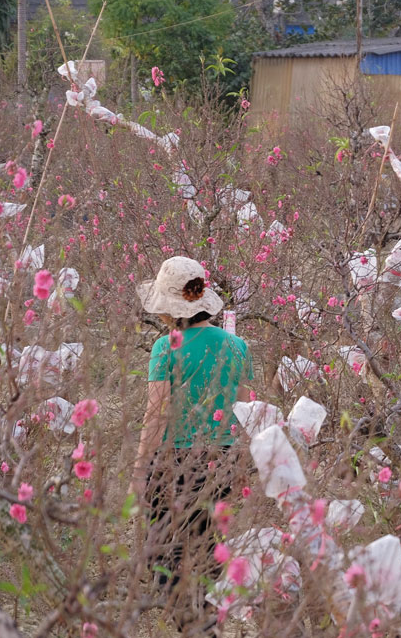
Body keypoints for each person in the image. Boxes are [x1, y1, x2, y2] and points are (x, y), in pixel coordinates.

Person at [131, 256, 253, 635]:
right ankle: (207, 622)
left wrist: (140, 469)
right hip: (223, 462)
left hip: (175, 465)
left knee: (166, 554)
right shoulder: (237, 346)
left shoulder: (165, 348)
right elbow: (246, 413)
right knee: (209, 549)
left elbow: (156, 415)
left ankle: (191, 625)